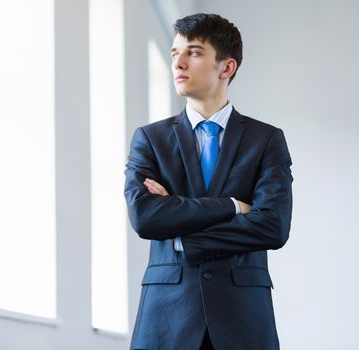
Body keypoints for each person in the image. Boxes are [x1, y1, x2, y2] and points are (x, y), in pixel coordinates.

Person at [124, 13, 293, 350]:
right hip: (166, 318)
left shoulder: (266, 140)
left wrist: (183, 234)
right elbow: (145, 217)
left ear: (226, 67)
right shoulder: (150, 139)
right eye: (175, 53)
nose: (179, 63)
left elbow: (273, 226)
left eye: (194, 52)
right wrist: (232, 206)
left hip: (243, 318)